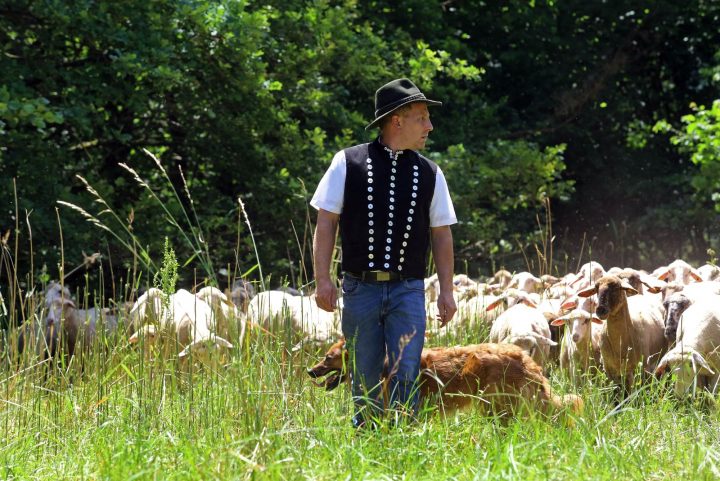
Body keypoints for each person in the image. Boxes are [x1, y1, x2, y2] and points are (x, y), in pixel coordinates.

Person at [310, 78, 457, 428]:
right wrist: (323, 280)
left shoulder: (430, 173)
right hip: (360, 289)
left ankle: (405, 439)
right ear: (397, 120)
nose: (429, 126)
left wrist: (447, 291)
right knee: (364, 371)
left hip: (408, 289)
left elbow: (441, 234)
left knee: (407, 369)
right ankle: (368, 442)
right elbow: (326, 221)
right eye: (422, 117)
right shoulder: (348, 162)